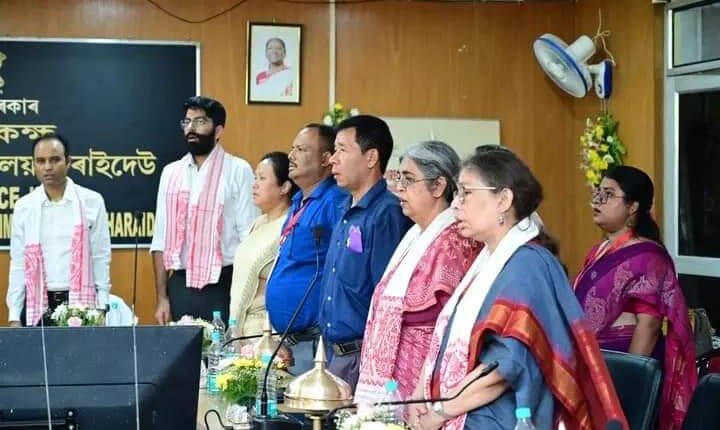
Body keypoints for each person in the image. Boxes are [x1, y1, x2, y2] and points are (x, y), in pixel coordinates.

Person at [408, 146, 627, 430]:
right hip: (463, 409)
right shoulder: (487, 259)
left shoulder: (528, 265)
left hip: (500, 417)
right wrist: (421, 396)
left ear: (503, 200)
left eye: (466, 193)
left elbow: (504, 367)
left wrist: (440, 411)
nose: (455, 205)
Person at [355, 141, 482, 404]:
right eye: (399, 178)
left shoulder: (455, 240)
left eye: (409, 179)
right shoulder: (414, 235)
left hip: (424, 382)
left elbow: (446, 320)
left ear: (438, 186)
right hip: (394, 380)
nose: (399, 188)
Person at [574, 165, 696, 430]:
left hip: (621, 365)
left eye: (609, 194)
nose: (598, 200)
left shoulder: (648, 256)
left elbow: (649, 325)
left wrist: (631, 379)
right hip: (593, 362)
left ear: (632, 207)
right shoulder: (598, 251)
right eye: (598, 192)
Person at [319, 115, 412, 390]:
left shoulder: (387, 213)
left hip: (361, 357)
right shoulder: (345, 208)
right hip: (332, 354)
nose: (332, 159)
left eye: (342, 150)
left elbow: (387, 297)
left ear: (371, 157)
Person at [151, 96, 258, 325]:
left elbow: (248, 238)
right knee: (182, 348)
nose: (191, 128)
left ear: (218, 131)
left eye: (200, 122)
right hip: (180, 285)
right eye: (187, 122)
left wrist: (246, 295)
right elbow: (160, 240)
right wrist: (162, 298)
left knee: (222, 347)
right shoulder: (171, 173)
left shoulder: (238, 170)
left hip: (224, 284)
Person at [265, 124, 347, 374]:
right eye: (292, 149)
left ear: (325, 159)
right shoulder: (298, 201)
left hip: (314, 342)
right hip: (287, 341)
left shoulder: (335, 202)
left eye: (301, 150)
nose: (291, 156)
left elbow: (341, 267)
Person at [7, 133, 111, 327]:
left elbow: (100, 257)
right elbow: (19, 264)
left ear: (68, 161)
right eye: (41, 161)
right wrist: (14, 315)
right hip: (37, 304)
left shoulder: (92, 201)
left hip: (81, 303)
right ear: (33, 165)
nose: (47, 167)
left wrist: (102, 306)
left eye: (55, 160)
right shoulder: (24, 207)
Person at [228, 152, 297, 337]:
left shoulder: (289, 227)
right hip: (241, 327)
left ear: (284, 187)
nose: (255, 184)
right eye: (255, 178)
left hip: (264, 330)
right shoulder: (258, 223)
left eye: (262, 178)